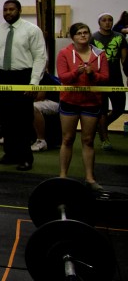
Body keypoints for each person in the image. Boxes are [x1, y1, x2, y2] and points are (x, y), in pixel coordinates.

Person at [0, 0, 46, 171]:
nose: (8, 13)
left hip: (23, 76)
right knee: (6, 119)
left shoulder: (32, 30)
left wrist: (33, 83)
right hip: (3, 76)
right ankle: (10, 154)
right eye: (5, 10)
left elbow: (40, 57)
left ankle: (26, 158)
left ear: (19, 11)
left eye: (11, 9)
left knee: (23, 120)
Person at [57, 23, 108, 191]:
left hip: (91, 102)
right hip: (69, 101)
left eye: (86, 32)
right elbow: (63, 77)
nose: (83, 36)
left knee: (88, 140)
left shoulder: (99, 55)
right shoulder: (64, 53)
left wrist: (92, 74)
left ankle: (90, 178)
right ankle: (63, 176)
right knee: (67, 139)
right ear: (73, 37)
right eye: (79, 33)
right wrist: (76, 73)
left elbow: (105, 78)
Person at [92, 12, 126, 151]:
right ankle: (105, 139)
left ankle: (101, 127)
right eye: (104, 20)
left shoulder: (120, 37)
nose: (107, 22)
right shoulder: (93, 38)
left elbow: (125, 60)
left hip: (116, 79)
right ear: (99, 22)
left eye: (110, 20)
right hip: (99, 79)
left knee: (119, 108)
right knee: (102, 111)